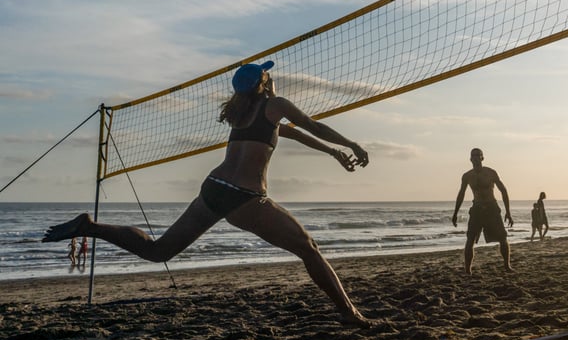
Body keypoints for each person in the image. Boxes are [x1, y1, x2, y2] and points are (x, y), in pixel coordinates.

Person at [43, 61, 372, 326]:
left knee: (159, 252)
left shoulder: (242, 112)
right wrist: (351, 143)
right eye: (268, 74)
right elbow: (312, 126)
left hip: (215, 189)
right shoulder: (275, 104)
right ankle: (351, 314)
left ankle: (89, 226)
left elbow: (294, 134)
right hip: (245, 198)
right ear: (264, 82)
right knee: (309, 249)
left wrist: (332, 153)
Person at [452, 148, 513, 274]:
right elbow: (461, 194)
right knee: (470, 239)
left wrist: (508, 212)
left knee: (502, 237)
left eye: (478, 155)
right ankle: (467, 270)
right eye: (473, 155)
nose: (475, 158)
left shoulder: (490, 173)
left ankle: (507, 265)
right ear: (470, 159)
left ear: (482, 158)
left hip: (491, 207)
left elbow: (503, 190)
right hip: (477, 209)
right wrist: (455, 213)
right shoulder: (467, 176)